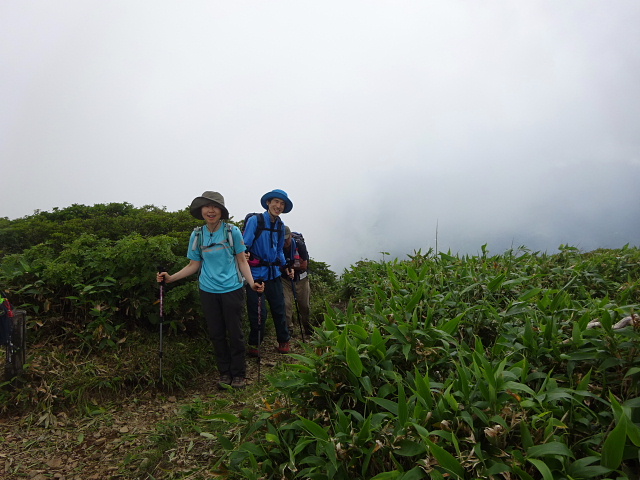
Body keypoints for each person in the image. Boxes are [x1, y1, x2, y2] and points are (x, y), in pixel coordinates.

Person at [157, 191, 263, 390]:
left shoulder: (232, 232)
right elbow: (193, 265)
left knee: (236, 332)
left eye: (215, 207)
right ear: (201, 210)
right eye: (206, 206)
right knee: (216, 333)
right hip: (208, 290)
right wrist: (170, 278)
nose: (211, 210)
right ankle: (224, 373)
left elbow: (242, 261)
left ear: (221, 211)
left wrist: (252, 284)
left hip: (232, 288)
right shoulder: (197, 235)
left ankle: (238, 373)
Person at [243, 189, 294, 355]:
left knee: (279, 309)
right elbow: (245, 244)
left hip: (274, 274)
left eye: (282, 204)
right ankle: (254, 344)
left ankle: (283, 342)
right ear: (268, 203)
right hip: (256, 275)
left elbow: (279, 250)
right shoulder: (255, 221)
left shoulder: (280, 226)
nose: (278, 206)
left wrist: (286, 266)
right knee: (258, 313)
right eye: (276, 202)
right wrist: (244, 254)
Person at [281, 226, 312, 337]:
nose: (285, 242)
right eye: (282, 239)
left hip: (301, 279)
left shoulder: (299, 244)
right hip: (285, 279)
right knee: (286, 305)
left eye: (286, 239)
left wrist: (291, 267)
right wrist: (287, 268)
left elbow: (304, 265)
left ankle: (308, 328)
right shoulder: (278, 247)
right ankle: (289, 330)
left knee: (304, 305)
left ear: (291, 236)